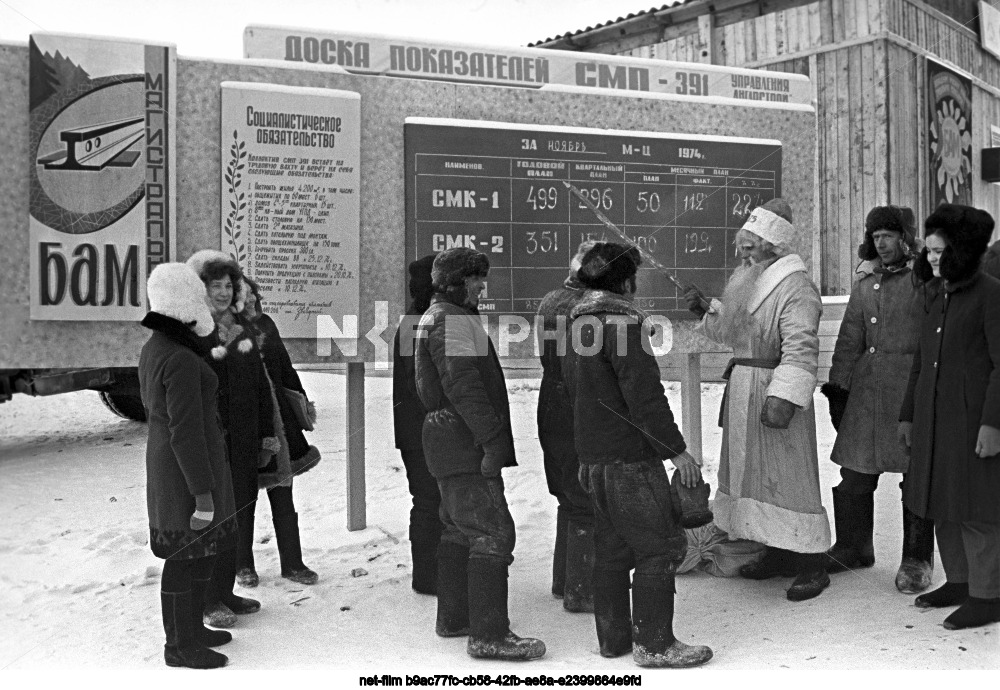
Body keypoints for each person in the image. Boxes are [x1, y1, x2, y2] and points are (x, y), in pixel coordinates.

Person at [562, 242, 712, 668]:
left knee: (610, 549)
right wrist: (677, 451)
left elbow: (574, 393)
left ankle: (614, 640)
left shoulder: (577, 325)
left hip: (593, 458)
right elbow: (645, 398)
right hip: (629, 460)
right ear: (626, 281)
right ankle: (655, 644)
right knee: (658, 548)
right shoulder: (623, 326)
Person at [685, 198, 831, 602]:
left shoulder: (796, 287)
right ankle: (776, 551)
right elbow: (735, 336)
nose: (743, 250)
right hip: (744, 388)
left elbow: (801, 347)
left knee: (788, 476)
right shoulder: (752, 279)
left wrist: (784, 397)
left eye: (752, 243)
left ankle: (812, 562)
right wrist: (708, 311)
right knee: (754, 476)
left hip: (772, 391)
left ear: (775, 244)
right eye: (743, 243)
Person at [414, 246, 545, 661]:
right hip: (462, 437)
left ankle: (454, 617)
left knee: (458, 527)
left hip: (446, 436)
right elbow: (463, 387)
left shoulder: (440, 316)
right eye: (475, 279)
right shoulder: (450, 321)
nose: (481, 287)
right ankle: (489, 634)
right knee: (492, 532)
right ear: (455, 282)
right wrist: (491, 440)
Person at [820, 205, 935, 593]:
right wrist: (839, 388)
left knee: (915, 476)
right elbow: (850, 338)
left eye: (888, 235)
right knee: (854, 471)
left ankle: (916, 560)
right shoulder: (865, 282)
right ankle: (854, 546)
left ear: (905, 237)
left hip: (910, 389)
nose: (880, 242)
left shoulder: (924, 279)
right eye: (875, 235)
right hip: (867, 392)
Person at [899, 203, 1000, 630]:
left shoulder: (992, 294)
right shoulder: (933, 295)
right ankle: (959, 581)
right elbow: (920, 360)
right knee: (941, 503)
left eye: (940, 251)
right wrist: (908, 415)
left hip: (974, 421)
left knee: (976, 510)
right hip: (933, 419)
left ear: (961, 251)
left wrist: (994, 424)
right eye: (929, 250)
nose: (931, 258)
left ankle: (989, 594)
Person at [139, 262, 237, 669]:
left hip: (172, 466)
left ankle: (191, 631)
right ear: (185, 304)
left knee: (197, 553)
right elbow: (186, 431)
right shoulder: (178, 357)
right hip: (185, 473)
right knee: (184, 557)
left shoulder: (157, 347)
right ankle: (179, 646)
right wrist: (201, 494)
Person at [187, 250, 274, 628]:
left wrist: (268, 433)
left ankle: (225, 592)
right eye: (215, 286)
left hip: (244, 438)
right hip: (212, 441)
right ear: (201, 290)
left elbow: (260, 386)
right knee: (212, 521)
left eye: (228, 286)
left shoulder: (245, 329)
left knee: (237, 516)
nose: (223, 293)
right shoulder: (194, 332)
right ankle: (208, 601)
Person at [239, 276, 321, 586]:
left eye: (252, 296)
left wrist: (301, 404)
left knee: (283, 495)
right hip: (245, 425)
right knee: (244, 500)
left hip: (278, 423)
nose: (249, 302)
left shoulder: (266, 324)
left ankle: (293, 563)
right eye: (243, 297)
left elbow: (284, 366)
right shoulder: (225, 329)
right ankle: (243, 565)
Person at [535, 240, 596, 612]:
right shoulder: (587, 308)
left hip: (550, 400)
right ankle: (582, 589)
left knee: (568, 497)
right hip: (577, 404)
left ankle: (564, 580)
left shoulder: (550, 300)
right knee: (585, 499)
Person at [392, 254, 444, 595]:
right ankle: (427, 576)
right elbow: (424, 385)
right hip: (422, 429)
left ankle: (430, 573)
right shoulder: (419, 323)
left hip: (417, 428)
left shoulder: (419, 319)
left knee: (430, 500)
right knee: (428, 500)